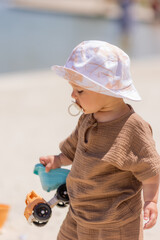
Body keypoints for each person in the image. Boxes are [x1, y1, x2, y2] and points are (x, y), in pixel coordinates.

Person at [39, 40, 160, 240]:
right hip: (79, 213)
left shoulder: (132, 127)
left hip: (116, 223)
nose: (72, 95)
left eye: (80, 91)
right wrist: (58, 160)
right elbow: (73, 148)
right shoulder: (88, 118)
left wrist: (151, 202)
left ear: (106, 90)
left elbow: (150, 171)